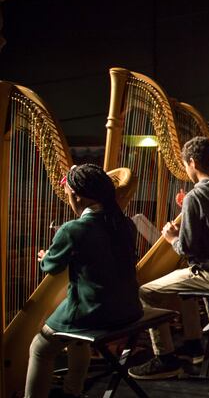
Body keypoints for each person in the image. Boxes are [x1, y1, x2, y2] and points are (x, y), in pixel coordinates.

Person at [128, 136, 209, 380]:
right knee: (184, 286)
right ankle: (193, 344)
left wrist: (171, 237)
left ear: (192, 162)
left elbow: (188, 248)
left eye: (185, 165)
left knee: (146, 291)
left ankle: (165, 357)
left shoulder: (196, 196)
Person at [26, 164, 142, 398]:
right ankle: (73, 392)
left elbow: (51, 267)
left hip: (95, 314)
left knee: (39, 347)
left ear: (77, 196)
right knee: (77, 339)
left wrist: (46, 256)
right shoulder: (125, 223)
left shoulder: (73, 229)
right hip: (130, 309)